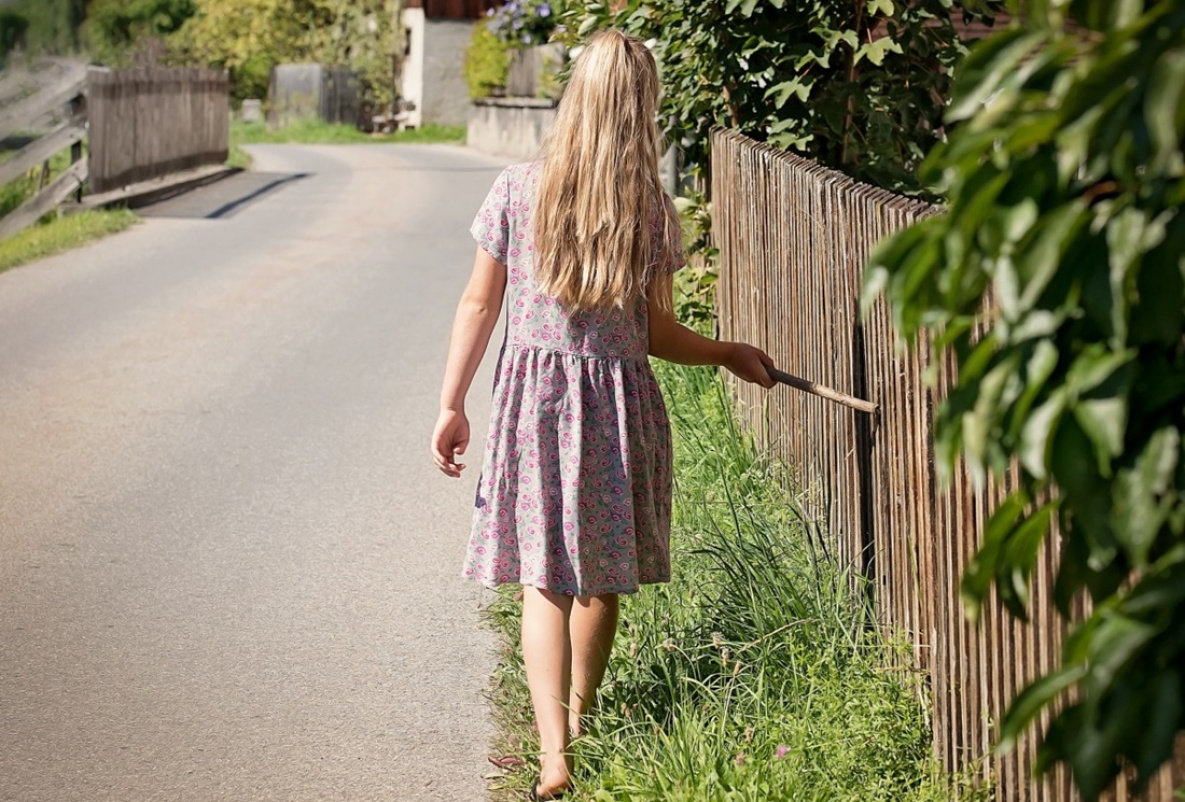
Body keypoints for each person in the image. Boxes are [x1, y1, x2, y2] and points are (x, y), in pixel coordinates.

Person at [430, 29, 775, 801]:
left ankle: (552, 748)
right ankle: (581, 720)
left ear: (574, 96)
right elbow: (655, 332)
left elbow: (479, 303)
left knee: (541, 581)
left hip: (535, 405)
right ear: (642, 107)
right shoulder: (647, 207)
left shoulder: (519, 189)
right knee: (600, 578)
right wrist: (724, 352)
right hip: (617, 405)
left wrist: (452, 402)